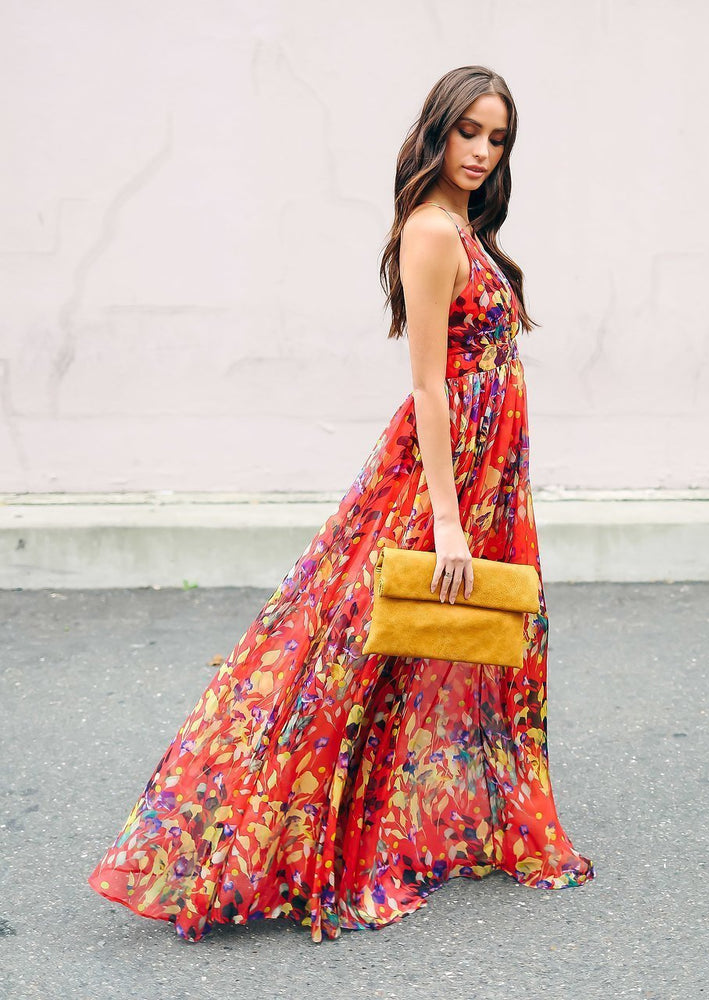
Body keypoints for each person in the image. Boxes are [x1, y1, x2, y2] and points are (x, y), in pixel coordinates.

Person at [87, 64, 596, 944]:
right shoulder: (433, 232)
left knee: (422, 643)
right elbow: (430, 387)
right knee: (366, 643)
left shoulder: (467, 229)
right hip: (443, 477)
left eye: (497, 137)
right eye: (467, 131)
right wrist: (445, 517)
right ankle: (288, 838)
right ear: (437, 130)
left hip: (485, 474)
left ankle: (358, 820)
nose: (480, 151)